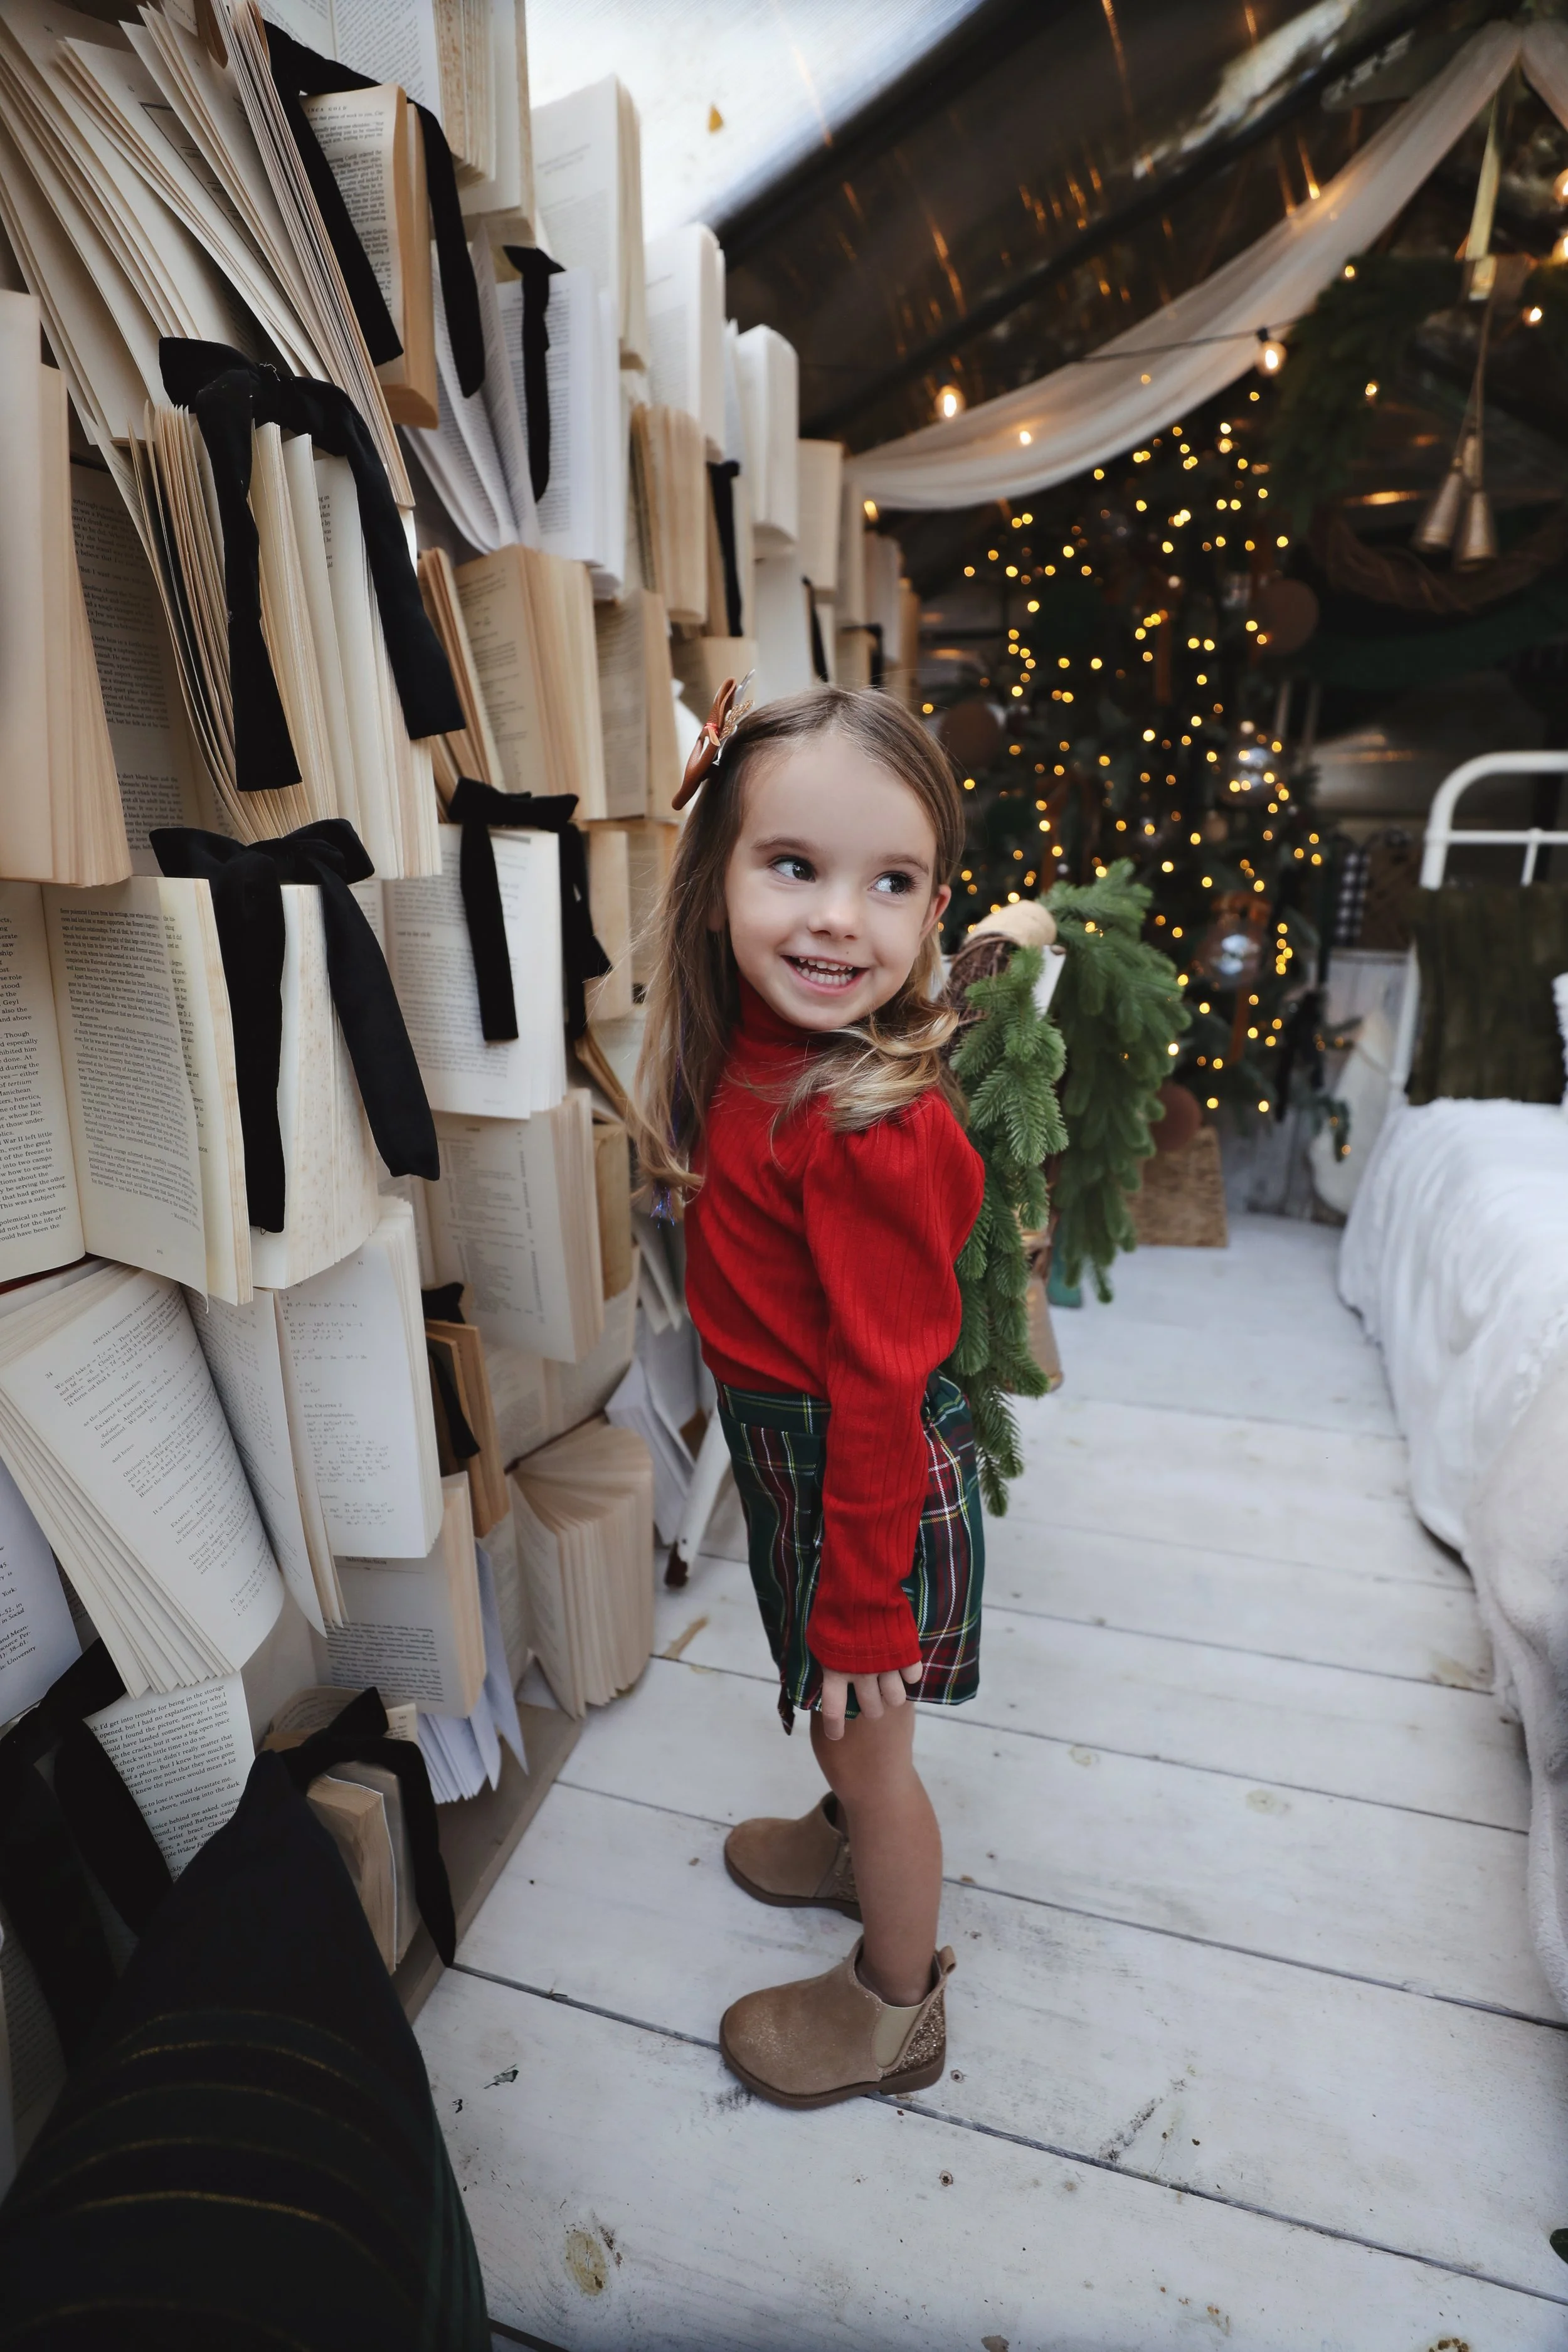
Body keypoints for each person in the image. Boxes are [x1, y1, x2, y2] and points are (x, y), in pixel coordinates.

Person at [632, 681, 985, 2110]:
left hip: (866, 1474)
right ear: (714, 881)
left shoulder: (867, 1125)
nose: (840, 918)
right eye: (795, 868)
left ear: (931, 907)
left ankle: (895, 2006)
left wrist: (859, 1603)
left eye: (887, 883)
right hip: (806, 1462)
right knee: (846, 1727)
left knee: (865, 1731)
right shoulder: (759, 1055)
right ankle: (843, 1839)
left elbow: (885, 1388)